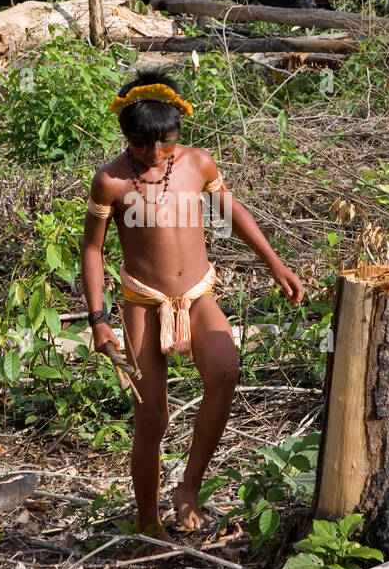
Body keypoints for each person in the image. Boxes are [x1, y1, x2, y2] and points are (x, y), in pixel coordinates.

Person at [81, 71, 305, 537]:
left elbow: (231, 212)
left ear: (178, 130)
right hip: (144, 301)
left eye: (166, 143)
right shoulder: (111, 182)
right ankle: (147, 523)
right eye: (144, 145)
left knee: (224, 371)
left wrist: (275, 264)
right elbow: (93, 251)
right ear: (127, 136)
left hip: (198, 293)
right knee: (151, 415)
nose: (157, 154)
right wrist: (99, 320)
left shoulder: (198, 164)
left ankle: (189, 488)